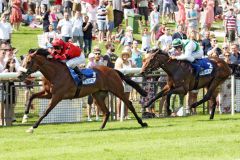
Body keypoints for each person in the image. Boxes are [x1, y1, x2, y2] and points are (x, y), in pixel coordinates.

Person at [114, 47, 134, 120]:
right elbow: (118, 73)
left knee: (127, 99)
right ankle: (118, 115)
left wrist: (130, 76)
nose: (125, 56)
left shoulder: (130, 62)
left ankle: (126, 114)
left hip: (128, 81)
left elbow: (133, 72)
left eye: (126, 55)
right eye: (124, 55)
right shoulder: (119, 62)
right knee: (119, 99)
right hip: (120, 82)